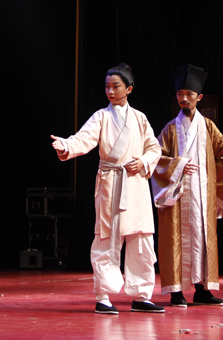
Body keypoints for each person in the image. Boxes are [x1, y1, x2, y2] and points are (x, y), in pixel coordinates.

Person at [50, 63, 164, 314]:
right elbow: (84, 138)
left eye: (116, 86)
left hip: (136, 183)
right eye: (107, 87)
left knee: (141, 238)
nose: (110, 91)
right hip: (112, 181)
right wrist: (66, 145)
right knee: (107, 238)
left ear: (129, 89)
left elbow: (154, 148)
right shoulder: (101, 116)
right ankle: (103, 296)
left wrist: (144, 162)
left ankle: (141, 295)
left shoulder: (140, 118)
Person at [151, 64, 223, 308]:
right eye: (180, 94)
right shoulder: (169, 129)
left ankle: (202, 290)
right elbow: (156, 158)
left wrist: (213, 185)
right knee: (175, 240)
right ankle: (176, 292)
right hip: (176, 193)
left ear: (199, 97)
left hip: (201, 193)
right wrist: (178, 166)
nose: (184, 98)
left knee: (201, 239)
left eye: (189, 94)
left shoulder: (208, 127)